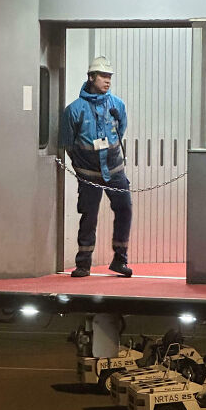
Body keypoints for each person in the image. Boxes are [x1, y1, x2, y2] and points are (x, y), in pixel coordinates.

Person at [61, 56, 133, 277]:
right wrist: (82, 165)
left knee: (125, 210)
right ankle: (83, 264)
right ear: (91, 77)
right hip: (88, 174)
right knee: (89, 216)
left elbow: (121, 130)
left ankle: (119, 260)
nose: (107, 81)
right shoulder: (74, 110)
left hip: (115, 172)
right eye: (103, 76)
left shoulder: (116, 105)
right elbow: (67, 142)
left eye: (109, 76)